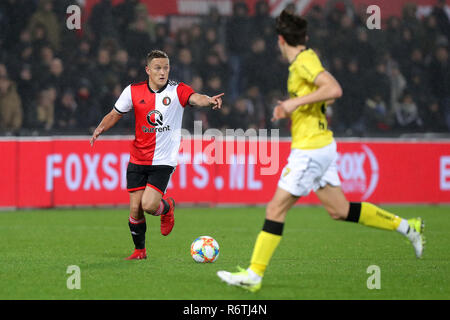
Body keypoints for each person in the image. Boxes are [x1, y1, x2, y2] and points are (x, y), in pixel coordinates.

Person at [217, 10, 425, 292]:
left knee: (275, 208)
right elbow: (317, 96)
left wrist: (292, 104)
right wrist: (290, 107)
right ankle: (407, 227)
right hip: (320, 145)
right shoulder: (303, 61)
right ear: (304, 36)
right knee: (339, 210)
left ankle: (254, 274)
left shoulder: (304, 60)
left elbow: (334, 88)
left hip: (310, 149)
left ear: (280, 40)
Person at [90, 50, 224, 260]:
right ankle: (140, 251)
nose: (163, 73)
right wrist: (100, 128)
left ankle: (167, 207)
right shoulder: (133, 91)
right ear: (148, 70)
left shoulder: (177, 90)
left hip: (163, 160)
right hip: (137, 158)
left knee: (149, 205)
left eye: (166, 68)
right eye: (158, 68)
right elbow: (115, 113)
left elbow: (195, 98)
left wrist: (209, 100)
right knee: (135, 209)